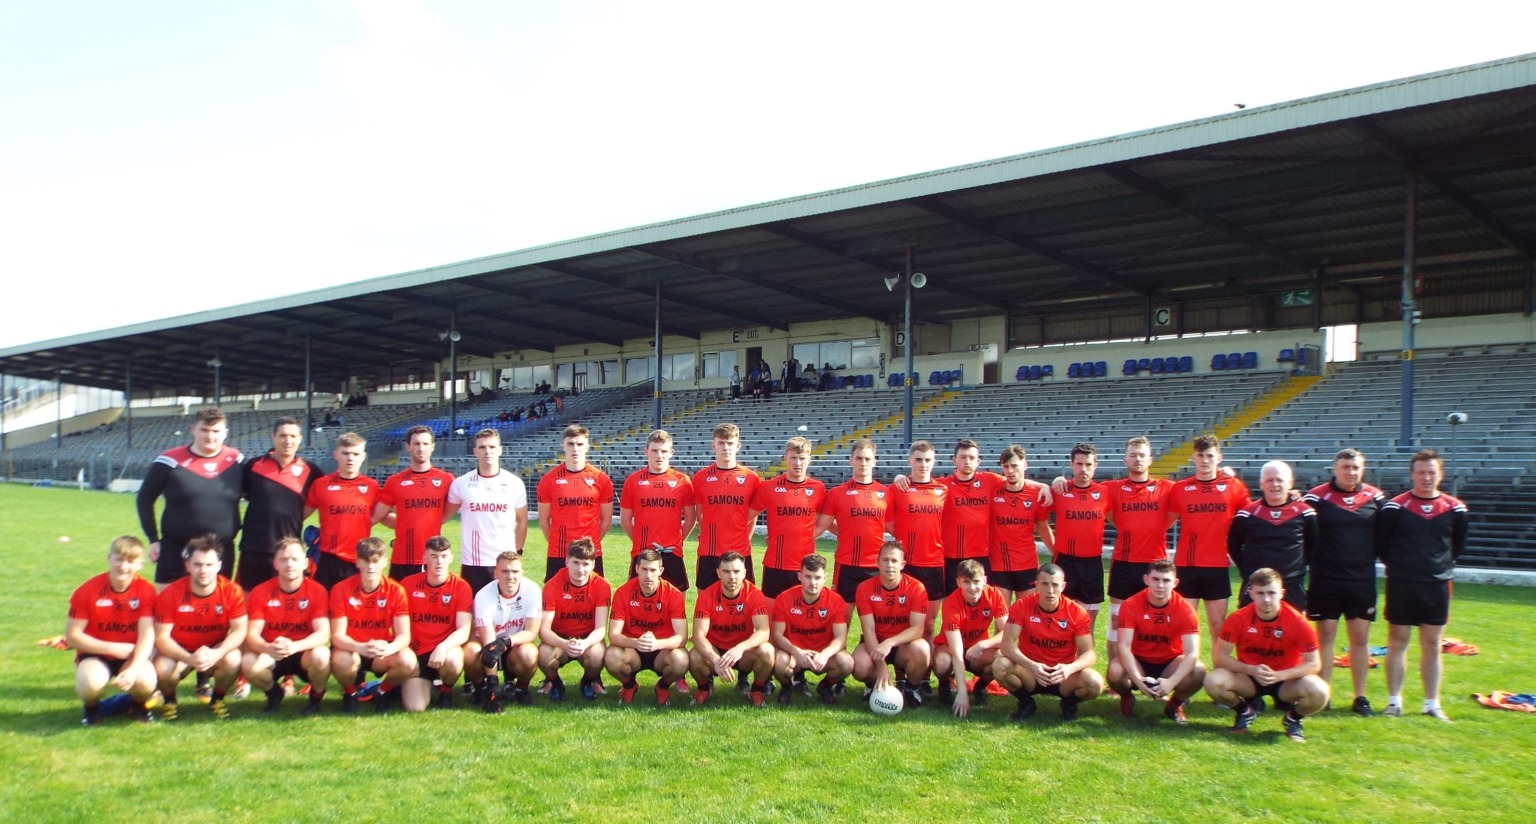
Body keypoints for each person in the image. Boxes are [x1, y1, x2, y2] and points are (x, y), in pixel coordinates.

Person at [1375, 448, 1468, 722]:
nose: (1426, 478)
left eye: (1431, 472)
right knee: (1397, 641)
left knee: (1433, 643)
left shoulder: (1455, 509)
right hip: (1402, 583)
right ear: (1412, 475)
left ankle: (1432, 703)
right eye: (1421, 472)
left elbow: (1457, 546)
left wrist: (1437, 567)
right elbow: (1382, 544)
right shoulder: (1395, 508)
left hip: (1436, 584)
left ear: (1440, 474)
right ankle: (1394, 702)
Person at [1303, 448, 1386, 716]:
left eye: (1355, 468)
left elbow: (1386, 534)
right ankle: (1323, 693)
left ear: (1363, 469)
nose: (1350, 472)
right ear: (1335, 469)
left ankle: (1360, 696)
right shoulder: (1316, 498)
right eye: (1345, 467)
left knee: (1360, 639)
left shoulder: (1375, 498)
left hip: (1361, 579)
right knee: (1325, 636)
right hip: (1325, 578)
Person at [1204, 568, 1328, 741]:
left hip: (1286, 680)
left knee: (1320, 692)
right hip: (1249, 678)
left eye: (1271, 593)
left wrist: (1280, 675)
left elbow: (1314, 663)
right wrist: (1251, 670)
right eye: (1260, 593)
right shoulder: (1238, 618)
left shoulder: (1298, 621)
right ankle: (1244, 712)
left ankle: (1293, 719)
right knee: (1213, 681)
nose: (1266, 599)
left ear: (1281, 593)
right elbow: (1220, 656)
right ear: (1251, 594)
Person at [136, 406, 245, 588]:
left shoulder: (236, 461)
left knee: (217, 604)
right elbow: (144, 499)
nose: (210, 436)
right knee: (169, 603)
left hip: (220, 551)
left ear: (225, 433)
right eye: (204, 430)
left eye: (216, 431)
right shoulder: (169, 461)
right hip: (175, 549)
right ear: (192, 429)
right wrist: (153, 539)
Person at [152, 534, 249, 721]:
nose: (203, 570)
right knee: (163, 667)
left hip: (212, 649)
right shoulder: (170, 594)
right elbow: (162, 637)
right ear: (187, 566)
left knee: (233, 659)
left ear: (219, 566)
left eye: (209, 565)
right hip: (180, 651)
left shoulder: (231, 591)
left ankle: (217, 700)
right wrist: (189, 658)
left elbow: (239, 630)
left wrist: (217, 653)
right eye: (197, 565)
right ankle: (170, 701)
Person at [66, 536, 159, 725]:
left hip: (131, 654)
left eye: (130, 561)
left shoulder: (146, 591)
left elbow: (147, 634)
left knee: (145, 681)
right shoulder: (87, 591)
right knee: (90, 683)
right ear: (109, 558)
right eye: (119, 559)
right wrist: (112, 648)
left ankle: (138, 705)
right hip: (96, 653)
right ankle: (91, 710)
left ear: (140, 564)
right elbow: (72, 636)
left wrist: (133, 669)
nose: (123, 566)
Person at [993, 564, 1103, 721]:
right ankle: (1026, 703)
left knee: (1095, 683)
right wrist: (1032, 665)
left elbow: (1089, 654)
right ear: (1036, 585)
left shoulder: (1077, 612)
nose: (1050, 590)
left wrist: (1069, 669)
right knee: (1000, 665)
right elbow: (1007, 645)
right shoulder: (1022, 606)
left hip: (1062, 675)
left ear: (1063, 586)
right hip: (1031, 673)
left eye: (1055, 585)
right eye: (1045, 584)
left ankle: (1069, 704)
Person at [1166, 434, 1247, 637]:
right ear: (1193, 457)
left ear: (1219, 457)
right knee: (1184, 626)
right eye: (1200, 455)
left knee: (1218, 625)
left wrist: (1289, 497)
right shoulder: (1180, 489)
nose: (1205, 460)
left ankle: (1218, 660)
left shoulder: (1233, 486)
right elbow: (1164, 522)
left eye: (1210, 456)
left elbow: (1253, 513)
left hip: (1217, 565)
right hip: (1187, 565)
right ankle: (1186, 660)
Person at [241, 537, 330, 715]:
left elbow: (323, 633)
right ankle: (274, 694)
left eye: (294, 559)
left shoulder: (317, 591)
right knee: (248, 662)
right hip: (273, 652)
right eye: (283, 559)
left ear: (305, 563)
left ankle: (315, 697)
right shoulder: (261, 592)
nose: (289, 564)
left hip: (302, 652)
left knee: (321, 655)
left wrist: (295, 646)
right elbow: (252, 635)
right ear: (275, 563)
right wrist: (268, 648)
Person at [1108, 559, 1203, 724]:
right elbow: (1123, 646)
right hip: (1139, 660)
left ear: (1175, 583)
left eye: (1166, 580)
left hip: (1169, 663)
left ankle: (1175, 705)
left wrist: (1171, 682)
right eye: (1155, 579)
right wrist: (1137, 678)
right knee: (1115, 670)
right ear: (1146, 580)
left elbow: (1192, 653)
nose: (1160, 585)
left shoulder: (1186, 610)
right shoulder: (1130, 604)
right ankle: (1127, 698)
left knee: (1198, 670)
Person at [328, 537, 414, 713]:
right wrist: (359, 647)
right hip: (352, 649)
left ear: (384, 561)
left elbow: (404, 635)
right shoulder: (341, 589)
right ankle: (350, 693)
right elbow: (337, 636)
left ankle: (381, 691)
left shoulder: (396, 590)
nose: (371, 567)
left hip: (380, 652)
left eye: (375, 561)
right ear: (357, 562)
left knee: (408, 661)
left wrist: (389, 649)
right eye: (366, 561)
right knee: (340, 660)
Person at [445, 429, 529, 596]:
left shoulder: (514, 483)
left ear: (500, 450)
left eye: (492, 446)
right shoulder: (462, 483)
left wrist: (516, 552)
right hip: (473, 563)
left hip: (504, 562)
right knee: (473, 610)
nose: (487, 451)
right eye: (482, 447)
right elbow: (442, 516)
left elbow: (522, 521)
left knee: (505, 609)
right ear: (475, 451)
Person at [238, 417, 318, 590]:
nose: (288, 441)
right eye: (282, 435)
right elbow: (238, 495)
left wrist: (296, 516)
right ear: (273, 437)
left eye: (293, 436)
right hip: (253, 547)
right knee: (250, 598)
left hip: (288, 552)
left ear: (300, 439)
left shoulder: (310, 470)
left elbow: (321, 498)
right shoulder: (253, 465)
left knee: (285, 599)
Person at [604, 548, 690, 706]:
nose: (648, 575)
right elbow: (613, 635)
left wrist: (657, 644)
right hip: (633, 649)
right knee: (611, 656)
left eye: (653, 570)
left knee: (681, 660)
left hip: (661, 651)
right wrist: (637, 643)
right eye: (644, 569)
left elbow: (682, 637)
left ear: (661, 571)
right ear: (637, 569)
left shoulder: (673, 594)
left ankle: (662, 687)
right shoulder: (623, 593)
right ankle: (629, 685)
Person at [852, 540, 932, 709]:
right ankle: (873, 686)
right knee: (859, 665)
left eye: (894, 560)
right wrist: (881, 666)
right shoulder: (864, 588)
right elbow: (869, 630)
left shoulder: (916, 588)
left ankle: (911, 689)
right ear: (877, 563)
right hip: (875, 643)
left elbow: (917, 629)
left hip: (903, 645)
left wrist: (890, 642)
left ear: (902, 564)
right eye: (885, 560)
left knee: (922, 650)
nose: (889, 565)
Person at [398, 536, 474, 712]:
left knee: (454, 660)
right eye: (434, 556)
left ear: (450, 558)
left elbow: (464, 630)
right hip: (416, 652)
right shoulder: (408, 584)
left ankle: (445, 691)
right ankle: (417, 682)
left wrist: (442, 647)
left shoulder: (461, 587)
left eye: (443, 556)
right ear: (424, 559)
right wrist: (408, 656)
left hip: (444, 653)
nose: (439, 562)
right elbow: (399, 626)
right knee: (415, 707)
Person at [816, 439, 889, 621]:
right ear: (851, 460)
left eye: (867, 459)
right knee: (841, 620)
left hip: (875, 566)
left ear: (874, 461)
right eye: (859, 458)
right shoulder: (837, 493)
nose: (863, 463)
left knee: (877, 623)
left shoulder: (886, 493)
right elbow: (821, 526)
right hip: (846, 565)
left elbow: (895, 526)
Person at [688, 552, 774, 706]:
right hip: (715, 650)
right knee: (694, 656)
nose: (732, 577)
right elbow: (698, 636)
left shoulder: (754, 594)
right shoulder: (707, 596)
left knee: (767, 651)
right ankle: (704, 689)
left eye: (736, 571)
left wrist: (741, 648)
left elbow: (763, 631)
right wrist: (715, 659)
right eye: (726, 571)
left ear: (744, 573)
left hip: (741, 653)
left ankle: (756, 691)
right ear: (718, 573)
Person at [1228, 460, 1316, 610]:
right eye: (1269, 480)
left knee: (1295, 626)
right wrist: (1249, 571)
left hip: (1292, 586)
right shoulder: (1246, 515)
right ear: (1261, 484)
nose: (1274, 484)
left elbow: (1312, 546)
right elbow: (1233, 546)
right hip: (1255, 585)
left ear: (1290, 483)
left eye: (1279, 480)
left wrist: (1294, 570)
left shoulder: (1306, 514)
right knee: (1249, 624)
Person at [373, 425, 455, 580]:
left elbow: (449, 511)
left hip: (432, 558)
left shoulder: (446, 480)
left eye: (425, 444)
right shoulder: (394, 481)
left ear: (432, 447)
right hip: (402, 558)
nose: (421, 448)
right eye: (416, 443)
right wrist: (404, 523)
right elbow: (378, 516)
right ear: (408, 447)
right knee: (398, 596)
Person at [620, 429, 697, 592]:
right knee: (639, 600)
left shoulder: (682, 481)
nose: (659, 455)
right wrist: (640, 542)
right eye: (654, 450)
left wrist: (677, 541)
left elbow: (691, 518)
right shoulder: (633, 481)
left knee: (677, 601)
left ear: (671, 453)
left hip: (672, 552)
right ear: (646, 452)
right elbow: (625, 520)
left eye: (664, 451)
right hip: (643, 552)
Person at [770, 554, 853, 705]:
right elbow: (777, 635)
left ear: (825, 578)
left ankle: (825, 686)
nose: (813, 583)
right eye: (808, 577)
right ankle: (787, 687)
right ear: (799, 576)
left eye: (817, 577)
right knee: (780, 662)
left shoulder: (835, 601)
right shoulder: (784, 598)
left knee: (846, 662)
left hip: (821, 654)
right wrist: (797, 652)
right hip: (795, 654)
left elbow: (841, 638)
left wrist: (825, 654)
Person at [536, 424, 615, 582]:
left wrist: (590, 544)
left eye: (579, 444)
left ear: (587, 447)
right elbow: (544, 520)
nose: (575, 449)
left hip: (590, 553)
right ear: (563, 447)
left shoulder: (601, 479)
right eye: (570, 444)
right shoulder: (548, 480)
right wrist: (557, 542)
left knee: (594, 594)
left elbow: (606, 519)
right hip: (558, 552)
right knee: (555, 596)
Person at [750, 437, 827, 598]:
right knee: (771, 611)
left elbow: (825, 520)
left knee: (802, 611)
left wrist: (805, 535)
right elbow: (747, 516)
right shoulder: (768, 487)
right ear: (785, 458)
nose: (798, 463)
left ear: (809, 460)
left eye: (802, 458)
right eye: (793, 458)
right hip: (775, 563)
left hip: (805, 565)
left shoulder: (818, 488)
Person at [302, 432, 381, 589]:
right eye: (345, 453)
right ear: (336, 455)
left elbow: (384, 515)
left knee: (355, 603)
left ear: (363, 456)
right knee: (325, 602)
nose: (350, 458)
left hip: (359, 558)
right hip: (328, 558)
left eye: (355, 454)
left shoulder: (372, 486)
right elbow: (301, 515)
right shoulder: (321, 485)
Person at [537, 537, 612, 701]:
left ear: (593, 564)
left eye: (585, 564)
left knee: (597, 654)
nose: (580, 569)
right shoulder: (552, 585)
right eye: (576, 562)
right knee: (543, 654)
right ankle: (556, 683)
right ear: (566, 561)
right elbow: (544, 630)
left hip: (586, 638)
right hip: (559, 638)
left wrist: (584, 643)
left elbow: (600, 629)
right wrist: (565, 644)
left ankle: (587, 682)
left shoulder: (602, 586)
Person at [468, 550, 542, 712]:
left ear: (522, 573)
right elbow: (490, 645)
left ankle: (521, 689)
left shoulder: (532, 590)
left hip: (514, 645)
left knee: (530, 653)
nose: (510, 576)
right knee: (470, 651)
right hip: (489, 647)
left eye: (515, 571)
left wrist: (506, 642)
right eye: (505, 571)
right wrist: (492, 684)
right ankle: (482, 689)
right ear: (495, 573)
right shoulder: (483, 595)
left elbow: (531, 633)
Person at [933, 559, 1009, 718]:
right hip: (951, 648)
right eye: (966, 582)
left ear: (985, 580)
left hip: (977, 651)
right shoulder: (951, 603)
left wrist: (982, 644)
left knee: (1001, 657)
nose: (972, 587)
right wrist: (962, 693)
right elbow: (956, 652)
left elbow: (1008, 634)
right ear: (958, 582)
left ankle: (980, 687)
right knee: (941, 663)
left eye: (976, 581)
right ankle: (945, 684)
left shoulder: (994, 595)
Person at [691, 423, 761, 590]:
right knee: (706, 598)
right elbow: (700, 514)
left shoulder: (751, 478)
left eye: (730, 443)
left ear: (738, 446)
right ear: (713, 445)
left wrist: (744, 538)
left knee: (743, 599)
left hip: (740, 550)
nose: (726, 448)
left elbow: (752, 516)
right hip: (709, 551)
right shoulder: (700, 477)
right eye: (721, 443)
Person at [885, 440, 947, 603]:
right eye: (918, 459)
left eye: (927, 460)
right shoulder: (897, 488)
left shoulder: (943, 489)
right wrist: (905, 534)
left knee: (930, 617)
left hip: (934, 561)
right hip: (906, 560)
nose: (923, 464)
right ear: (909, 461)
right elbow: (888, 523)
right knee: (903, 612)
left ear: (934, 462)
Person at [989, 445, 1051, 602]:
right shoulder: (993, 488)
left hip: (1027, 564)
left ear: (1025, 465)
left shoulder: (1036, 495)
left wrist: (1056, 553)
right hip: (999, 566)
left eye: (1015, 466)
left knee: (1027, 614)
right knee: (1001, 616)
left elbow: (1043, 528)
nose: (1010, 471)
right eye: (1006, 466)